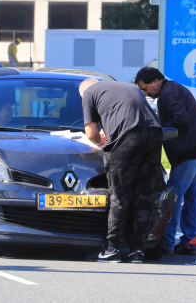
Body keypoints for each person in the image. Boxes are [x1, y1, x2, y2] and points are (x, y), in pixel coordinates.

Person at [80, 78, 163, 264]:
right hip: (155, 134)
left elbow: (91, 134)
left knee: (119, 194)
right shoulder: (125, 86)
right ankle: (137, 251)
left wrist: (101, 143)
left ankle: (112, 249)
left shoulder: (88, 92)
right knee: (144, 194)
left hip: (129, 136)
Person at [135, 66, 196, 256]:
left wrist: (159, 131)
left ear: (156, 81)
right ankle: (190, 242)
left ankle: (167, 242)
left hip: (188, 151)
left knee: (173, 197)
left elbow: (181, 119)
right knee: (192, 197)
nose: (145, 93)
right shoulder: (173, 89)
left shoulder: (168, 93)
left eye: (145, 88)